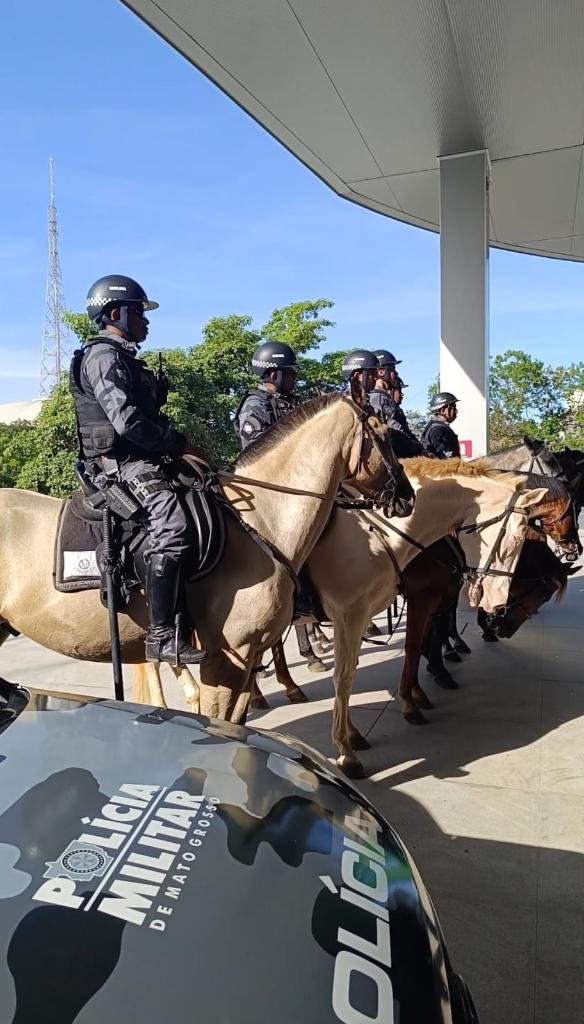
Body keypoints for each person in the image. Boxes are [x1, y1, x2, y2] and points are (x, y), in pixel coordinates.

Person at [69, 274, 206, 666]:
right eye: (139, 313)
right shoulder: (103, 358)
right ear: (115, 314)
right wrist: (179, 444)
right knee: (173, 527)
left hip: (141, 458)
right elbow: (128, 423)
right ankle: (162, 636)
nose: (146, 322)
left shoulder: (124, 356)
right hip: (118, 466)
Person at [233, 342, 298, 449]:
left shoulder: (289, 402)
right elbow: (255, 451)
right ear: (274, 375)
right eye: (290, 371)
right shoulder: (255, 404)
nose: (294, 375)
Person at [368, 355, 426, 457]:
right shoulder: (379, 399)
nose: (396, 373)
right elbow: (396, 434)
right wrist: (418, 450)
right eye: (393, 369)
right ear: (381, 372)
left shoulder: (383, 398)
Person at [422, 392, 461, 459]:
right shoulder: (438, 430)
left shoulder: (437, 427)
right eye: (453, 407)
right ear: (442, 410)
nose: (456, 411)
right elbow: (446, 459)